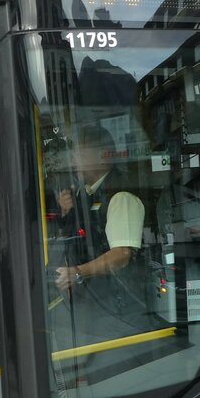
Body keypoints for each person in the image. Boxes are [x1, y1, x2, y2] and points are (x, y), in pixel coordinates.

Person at [53, 126, 147, 315]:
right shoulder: (87, 193)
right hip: (94, 301)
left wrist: (77, 272)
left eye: (79, 154)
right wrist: (65, 212)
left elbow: (122, 254)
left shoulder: (120, 196)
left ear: (103, 156)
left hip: (118, 307)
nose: (73, 160)